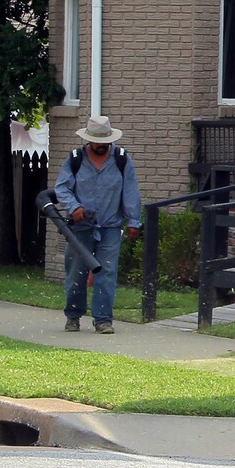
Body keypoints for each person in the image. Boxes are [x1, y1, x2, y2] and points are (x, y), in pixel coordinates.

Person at [52, 116, 143, 334]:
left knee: (107, 273)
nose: (101, 145)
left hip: (110, 227)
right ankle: (73, 316)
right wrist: (75, 207)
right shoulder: (75, 159)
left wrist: (133, 221)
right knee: (76, 273)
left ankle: (103, 320)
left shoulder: (121, 159)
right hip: (80, 228)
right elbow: (61, 188)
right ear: (88, 140)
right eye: (96, 141)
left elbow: (130, 191)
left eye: (104, 141)